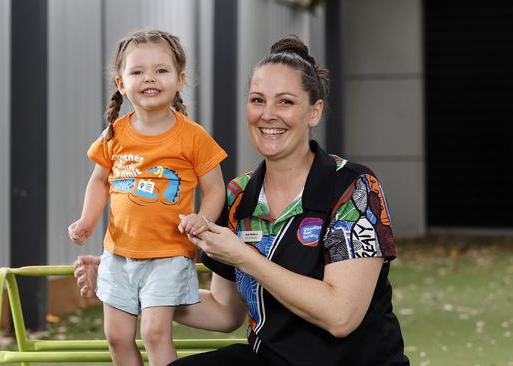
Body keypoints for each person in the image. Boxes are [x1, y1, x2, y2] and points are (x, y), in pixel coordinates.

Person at [76, 34, 409, 365]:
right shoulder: (238, 197)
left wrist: (245, 257)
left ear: (314, 112)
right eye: (257, 100)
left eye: (286, 102)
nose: (268, 114)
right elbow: (224, 314)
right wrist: (126, 283)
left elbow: (341, 317)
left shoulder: (353, 186)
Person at [67, 29, 227, 366]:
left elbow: (214, 189)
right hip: (118, 253)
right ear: (121, 84)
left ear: (180, 80)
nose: (149, 78)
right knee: (116, 336)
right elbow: (99, 182)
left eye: (161, 70)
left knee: (155, 333)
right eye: (137, 71)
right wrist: (87, 220)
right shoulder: (114, 134)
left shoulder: (193, 136)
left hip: (168, 254)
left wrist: (204, 219)